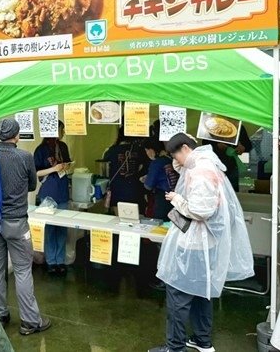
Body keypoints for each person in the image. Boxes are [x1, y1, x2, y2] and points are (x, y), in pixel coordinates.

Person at [149, 133, 253, 352]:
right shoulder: (206, 164)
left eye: (175, 155)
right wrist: (179, 165)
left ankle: (175, 347)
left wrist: (177, 200)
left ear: (185, 148)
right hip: (205, 243)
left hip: (194, 243)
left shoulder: (201, 172)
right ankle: (202, 340)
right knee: (201, 293)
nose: (175, 161)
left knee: (178, 295)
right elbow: (187, 174)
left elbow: (200, 210)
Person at [0, 118, 51, 336]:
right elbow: (32, 185)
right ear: (16, 136)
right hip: (16, 222)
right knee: (23, 270)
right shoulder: (24, 157)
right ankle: (30, 322)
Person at [34, 120, 71, 275]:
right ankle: (51, 261)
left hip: (62, 190)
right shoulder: (40, 150)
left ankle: (60, 260)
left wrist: (66, 166)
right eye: (62, 129)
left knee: (62, 229)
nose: (63, 132)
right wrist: (53, 169)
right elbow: (36, 173)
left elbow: (68, 162)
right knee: (50, 228)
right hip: (48, 193)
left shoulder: (63, 147)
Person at [103, 127, 145, 213]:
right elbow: (143, 166)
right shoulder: (139, 149)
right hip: (135, 189)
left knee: (119, 221)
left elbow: (105, 159)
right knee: (135, 220)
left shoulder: (113, 150)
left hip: (117, 189)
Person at [140, 139, 177, 221]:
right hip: (176, 198)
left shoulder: (156, 163)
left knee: (160, 225)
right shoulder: (171, 159)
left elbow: (148, 186)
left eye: (147, 150)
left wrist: (145, 180)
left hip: (163, 199)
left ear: (152, 150)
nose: (147, 153)